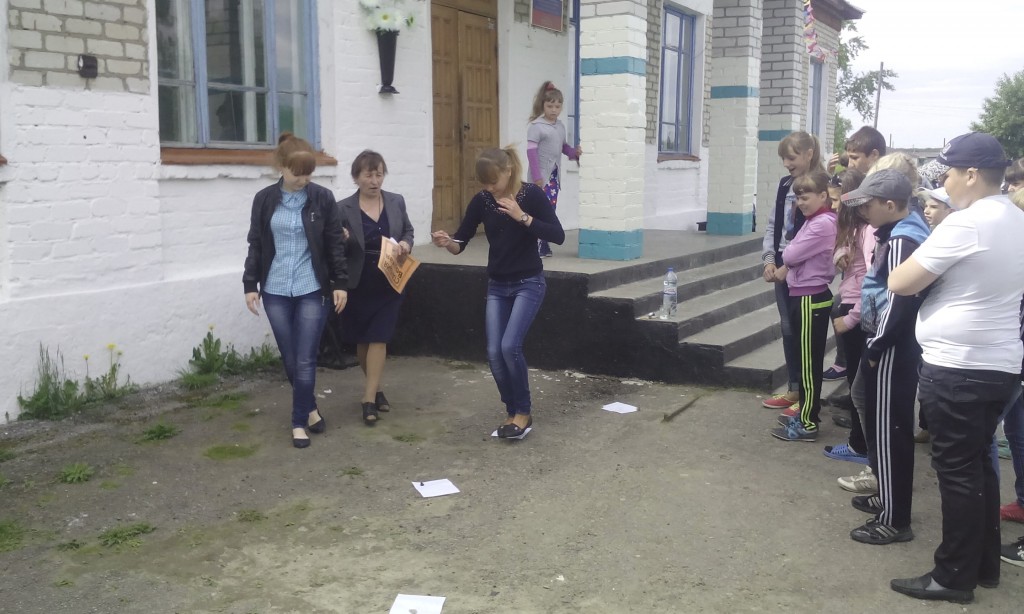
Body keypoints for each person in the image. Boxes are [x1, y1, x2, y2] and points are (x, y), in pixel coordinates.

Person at [888, 132, 1024, 603]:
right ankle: (983, 565)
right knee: (979, 466)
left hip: (959, 365)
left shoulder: (967, 224)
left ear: (971, 174)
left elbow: (900, 281)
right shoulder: (1015, 217)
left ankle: (953, 576)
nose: (944, 182)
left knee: (957, 473)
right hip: (998, 363)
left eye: (948, 173)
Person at [431, 146, 565, 438]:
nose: (489, 188)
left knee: (509, 346)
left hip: (528, 282)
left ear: (508, 171)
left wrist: (522, 216)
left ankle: (523, 412)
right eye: (484, 183)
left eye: (493, 181)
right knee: (493, 352)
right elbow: (460, 243)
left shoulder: (530, 195)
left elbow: (558, 235)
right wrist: (446, 242)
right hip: (498, 284)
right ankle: (512, 410)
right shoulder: (482, 200)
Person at [836, 169, 930, 545]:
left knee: (891, 431)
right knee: (877, 416)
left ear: (890, 205)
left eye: (868, 205)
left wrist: (876, 346)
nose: (862, 212)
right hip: (888, 341)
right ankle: (887, 496)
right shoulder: (898, 232)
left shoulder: (903, 239)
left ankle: (894, 519)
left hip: (892, 346)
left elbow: (900, 299)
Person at [243, 133, 348, 449]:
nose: (304, 179)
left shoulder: (322, 198)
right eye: (297, 173)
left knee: (305, 358)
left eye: (308, 173)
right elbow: (256, 243)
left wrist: (340, 283)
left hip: (311, 287)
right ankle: (311, 408)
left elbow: (334, 243)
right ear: (281, 167)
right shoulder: (264, 199)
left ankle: (298, 422)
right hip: (275, 288)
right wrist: (250, 284)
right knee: (290, 358)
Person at [337, 151, 415, 426]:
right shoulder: (343, 208)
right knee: (362, 341)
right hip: (359, 281)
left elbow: (408, 231)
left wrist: (405, 244)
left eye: (379, 174)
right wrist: (343, 239)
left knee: (379, 337)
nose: (374, 181)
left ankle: (368, 400)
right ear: (356, 177)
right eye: (368, 175)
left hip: (390, 279)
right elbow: (334, 247)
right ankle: (377, 388)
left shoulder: (396, 201)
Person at [769, 169, 836, 442]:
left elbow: (791, 252)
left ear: (823, 196)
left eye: (806, 197)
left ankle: (808, 423)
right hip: (804, 294)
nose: (801, 203)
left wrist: (789, 258)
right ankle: (806, 414)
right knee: (805, 359)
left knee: (808, 365)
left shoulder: (822, 224)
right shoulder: (813, 220)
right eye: (798, 198)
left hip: (811, 297)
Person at [760, 131, 824, 411]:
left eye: (791, 157)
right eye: (783, 159)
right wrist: (769, 260)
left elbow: (820, 235)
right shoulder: (785, 185)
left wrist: (789, 266)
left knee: (804, 334)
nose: (786, 164)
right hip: (781, 267)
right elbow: (773, 225)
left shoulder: (823, 185)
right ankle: (794, 389)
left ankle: (808, 397)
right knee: (788, 329)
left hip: (806, 274)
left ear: (809, 154)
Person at [820, 169, 874, 463]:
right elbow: (845, 253)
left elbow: (872, 281)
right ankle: (859, 442)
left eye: (836, 201)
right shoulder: (853, 229)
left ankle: (860, 445)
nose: (832, 206)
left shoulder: (867, 232)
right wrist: (840, 252)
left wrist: (851, 318)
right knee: (855, 382)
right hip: (852, 305)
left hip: (857, 311)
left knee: (858, 385)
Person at [527, 81, 581, 258]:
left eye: (557, 106)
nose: (554, 110)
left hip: (553, 178)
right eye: (550, 106)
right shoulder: (536, 127)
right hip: (540, 177)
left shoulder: (560, 126)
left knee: (550, 210)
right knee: (538, 210)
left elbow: (563, 147)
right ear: (543, 105)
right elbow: (531, 153)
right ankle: (535, 245)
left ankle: (544, 243)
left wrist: (574, 153)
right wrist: (537, 176)